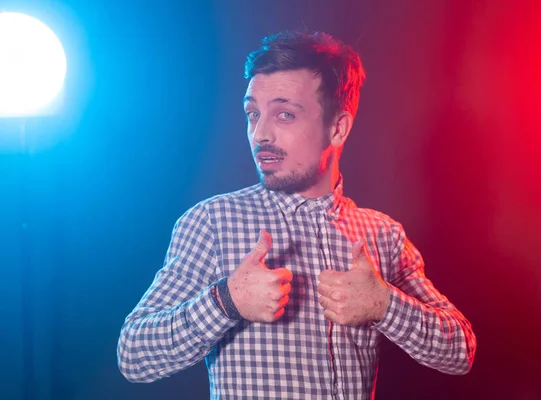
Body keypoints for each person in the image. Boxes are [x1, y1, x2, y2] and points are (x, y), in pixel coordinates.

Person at [117, 30, 476, 399]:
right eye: (252, 114)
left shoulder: (382, 235)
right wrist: (228, 301)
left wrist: (385, 304)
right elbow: (133, 354)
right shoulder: (213, 222)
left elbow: (460, 351)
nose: (259, 134)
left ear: (337, 128)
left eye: (284, 114)